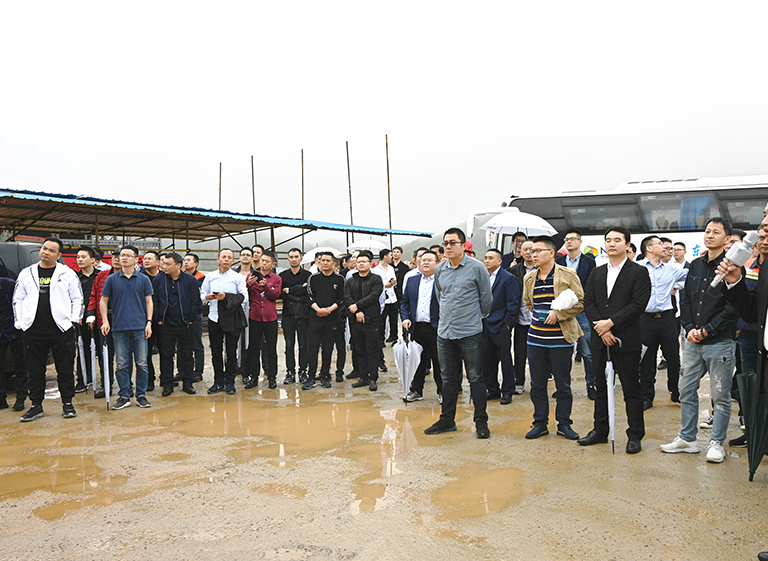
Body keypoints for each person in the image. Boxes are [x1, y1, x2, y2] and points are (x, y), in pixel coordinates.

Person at [660, 218, 739, 463]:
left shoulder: (732, 267)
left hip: (719, 341)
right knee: (685, 389)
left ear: (727, 239)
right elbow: (685, 300)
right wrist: (690, 328)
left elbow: (733, 307)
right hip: (693, 341)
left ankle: (716, 443)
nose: (709, 235)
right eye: (707, 231)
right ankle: (688, 438)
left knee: (720, 395)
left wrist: (707, 331)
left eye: (716, 232)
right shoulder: (695, 265)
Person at [578, 227, 651, 454]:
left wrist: (611, 323)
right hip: (601, 339)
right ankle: (600, 430)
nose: (611, 244)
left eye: (617, 240)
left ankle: (635, 435)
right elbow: (589, 303)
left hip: (626, 339)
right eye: (608, 240)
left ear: (627, 245)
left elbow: (638, 304)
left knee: (631, 389)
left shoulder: (638, 272)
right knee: (601, 387)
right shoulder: (597, 272)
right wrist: (602, 329)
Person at [424, 228, 493, 439]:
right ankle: (447, 420)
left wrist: (474, 318)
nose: (448, 246)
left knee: (475, 378)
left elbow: (486, 299)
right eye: (445, 243)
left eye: (453, 242)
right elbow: (440, 296)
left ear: (463, 246)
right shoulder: (440, 269)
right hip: (445, 333)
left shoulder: (477, 268)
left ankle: (481, 421)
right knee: (448, 379)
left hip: (469, 332)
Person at [13, 238, 82, 422]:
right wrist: (21, 322)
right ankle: (36, 406)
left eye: (52, 250)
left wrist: (73, 321)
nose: (46, 252)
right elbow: (18, 299)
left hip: (61, 329)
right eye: (44, 248)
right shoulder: (27, 273)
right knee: (34, 370)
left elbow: (77, 298)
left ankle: (67, 403)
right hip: (33, 329)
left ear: (59, 255)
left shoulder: (67, 274)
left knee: (65, 368)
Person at [522, 236, 583, 440]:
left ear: (551, 253)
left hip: (560, 339)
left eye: (537, 251)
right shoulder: (529, 278)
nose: (533, 254)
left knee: (562, 385)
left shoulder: (568, 274)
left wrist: (559, 314)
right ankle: (540, 423)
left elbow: (581, 302)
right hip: (535, 339)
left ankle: (564, 424)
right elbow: (529, 303)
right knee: (537, 384)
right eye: (532, 251)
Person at [637, 235, 689, 409]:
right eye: (660, 244)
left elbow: (691, 276)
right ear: (649, 248)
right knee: (647, 359)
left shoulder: (672, 269)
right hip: (645, 319)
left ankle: (676, 392)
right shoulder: (637, 268)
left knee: (673, 357)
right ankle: (646, 396)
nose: (665, 248)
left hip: (667, 318)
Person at [100, 245, 154, 410]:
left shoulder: (143, 279)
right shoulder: (111, 279)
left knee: (142, 363)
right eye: (122, 255)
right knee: (122, 364)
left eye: (128, 255)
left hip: (140, 326)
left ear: (136, 259)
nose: (123, 258)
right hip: (119, 327)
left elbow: (149, 301)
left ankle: (141, 395)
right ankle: (124, 395)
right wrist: (105, 321)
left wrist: (149, 322)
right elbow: (103, 301)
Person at [555, 229, 597, 399]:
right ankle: (562, 387)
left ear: (580, 242)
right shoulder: (558, 261)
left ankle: (592, 384)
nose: (569, 241)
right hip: (563, 311)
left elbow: (590, 286)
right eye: (567, 239)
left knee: (587, 351)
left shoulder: (589, 262)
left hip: (582, 310)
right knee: (563, 352)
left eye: (573, 239)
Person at [201, 249, 249, 395]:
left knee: (231, 352)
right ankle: (218, 382)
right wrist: (208, 297)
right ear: (218, 259)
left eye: (229, 257)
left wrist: (226, 297)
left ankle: (230, 382)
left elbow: (244, 297)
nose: (226, 259)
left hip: (231, 319)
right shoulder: (210, 276)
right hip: (214, 318)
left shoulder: (237, 277)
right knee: (216, 352)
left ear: (233, 260)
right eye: (223, 257)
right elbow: (202, 294)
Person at [152, 252, 201, 396]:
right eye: (163, 263)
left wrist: (191, 318)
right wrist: (158, 318)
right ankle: (167, 384)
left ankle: (187, 383)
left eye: (168, 264)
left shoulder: (190, 280)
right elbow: (155, 300)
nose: (164, 266)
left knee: (187, 354)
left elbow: (196, 301)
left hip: (185, 324)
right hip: (165, 323)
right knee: (166, 355)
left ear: (178, 265)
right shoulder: (159, 279)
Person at [400, 250, 442, 402]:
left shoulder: (442, 280)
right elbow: (404, 302)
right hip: (417, 327)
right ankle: (416, 391)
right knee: (417, 361)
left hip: (437, 327)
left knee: (439, 362)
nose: (425, 262)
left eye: (430, 260)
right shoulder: (413, 280)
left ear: (437, 263)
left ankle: (443, 392)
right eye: (423, 260)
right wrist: (405, 318)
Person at [302, 252, 345, 390]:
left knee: (328, 348)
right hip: (315, 318)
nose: (325, 263)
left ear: (334, 263)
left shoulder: (339, 279)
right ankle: (311, 376)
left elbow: (341, 298)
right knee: (312, 348)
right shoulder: (313, 278)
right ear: (319, 262)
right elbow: (309, 296)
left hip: (332, 319)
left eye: (328, 260)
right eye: (322, 260)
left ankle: (325, 375)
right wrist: (319, 310)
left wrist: (329, 310)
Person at [482, 249, 519, 405]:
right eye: (485, 258)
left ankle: (508, 391)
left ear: (499, 261)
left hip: (501, 326)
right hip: (484, 325)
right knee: (487, 360)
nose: (487, 261)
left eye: (491, 258)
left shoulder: (508, 278)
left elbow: (513, 303)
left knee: (505, 360)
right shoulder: (483, 277)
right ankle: (492, 389)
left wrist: (508, 324)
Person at [344, 250, 384, 391]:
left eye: (364, 262)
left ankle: (373, 378)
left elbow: (374, 296)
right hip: (355, 320)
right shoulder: (351, 280)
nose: (361, 264)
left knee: (371, 349)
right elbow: (347, 297)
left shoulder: (376, 279)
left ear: (370, 263)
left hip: (371, 320)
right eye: (359, 262)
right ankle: (363, 377)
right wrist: (357, 311)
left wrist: (357, 306)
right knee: (359, 349)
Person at [85, 250, 121, 398]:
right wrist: (90, 314)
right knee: (105, 354)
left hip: (123, 320)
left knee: (124, 356)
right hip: (104, 319)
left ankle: (126, 386)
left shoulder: (131, 277)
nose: (117, 260)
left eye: (120, 257)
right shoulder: (102, 276)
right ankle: (106, 385)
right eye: (114, 257)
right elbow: (94, 296)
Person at [245, 251, 282, 389]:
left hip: (270, 318)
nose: (264, 263)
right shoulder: (251, 276)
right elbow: (244, 295)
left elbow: (275, 295)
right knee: (254, 348)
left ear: (273, 264)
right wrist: (248, 284)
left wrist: (266, 286)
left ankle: (272, 377)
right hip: (255, 316)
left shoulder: (276, 278)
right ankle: (254, 377)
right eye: (262, 260)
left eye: (267, 261)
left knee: (271, 348)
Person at [280, 248, 311, 385]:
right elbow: (280, 294)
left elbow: (308, 294)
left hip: (304, 316)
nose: (294, 259)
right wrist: (299, 290)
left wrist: (289, 291)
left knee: (304, 345)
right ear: (288, 259)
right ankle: (290, 372)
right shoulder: (283, 276)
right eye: (291, 257)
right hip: (288, 315)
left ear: (301, 259)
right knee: (289, 346)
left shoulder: (308, 275)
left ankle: (303, 371)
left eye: (296, 257)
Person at [509, 240, 535, 394]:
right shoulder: (514, 270)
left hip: (539, 320)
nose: (528, 252)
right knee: (519, 352)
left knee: (538, 354)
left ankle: (538, 382)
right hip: (521, 319)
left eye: (531, 249)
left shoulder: (543, 268)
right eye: (525, 249)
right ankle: (519, 382)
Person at [0, 276, 28, 411]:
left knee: (20, 365)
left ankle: (21, 398)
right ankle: (1, 400)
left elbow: (22, 303)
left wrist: (22, 324)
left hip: (15, 330)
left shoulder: (10, 285)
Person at [74, 246, 99, 393]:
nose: (80, 260)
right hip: (81, 319)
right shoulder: (75, 278)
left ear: (92, 260)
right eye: (78, 257)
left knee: (101, 350)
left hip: (99, 318)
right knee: (82, 349)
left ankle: (104, 381)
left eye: (83, 257)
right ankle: (82, 380)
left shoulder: (101, 276)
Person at [180, 253, 205, 383]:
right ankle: (182, 371)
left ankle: (198, 372)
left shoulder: (201, 278)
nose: (186, 262)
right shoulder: (180, 276)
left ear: (196, 263)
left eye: (189, 260)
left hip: (195, 315)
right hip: (181, 315)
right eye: (184, 260)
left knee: (197, 345)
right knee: (181, 345)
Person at [141, 250, 162, 391]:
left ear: (158, 262)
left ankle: (166, 378)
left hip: (162, 320)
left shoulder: (164, 277)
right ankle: (149, 380)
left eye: (149, 258)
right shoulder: (140, 277)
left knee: (165, 351)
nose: (146, 261)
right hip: (145, 320)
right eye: (144, 259)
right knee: (146, 352)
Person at [377, 249, 399, 345]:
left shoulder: (391, 268)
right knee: (381, 320)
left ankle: (394, 337)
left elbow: (394, 281)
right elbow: (377, 283)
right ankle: (381, 339)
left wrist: (393, 282)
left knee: (394, 319)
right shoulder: (376, 269)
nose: (392, 257)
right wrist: (385, 284)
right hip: (383, 299)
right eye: (390, 255)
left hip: (393, 298)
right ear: (385, 256)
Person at [392, 246, 411, 342]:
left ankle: (405, 334)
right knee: (393, 316)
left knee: (403, 314)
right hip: (392, 294)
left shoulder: (404, 267)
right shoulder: (389, 266)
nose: (395, 253)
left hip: (402, 293)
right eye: (394, 252)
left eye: (397, 252)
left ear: (401, 254)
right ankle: (393, 335)